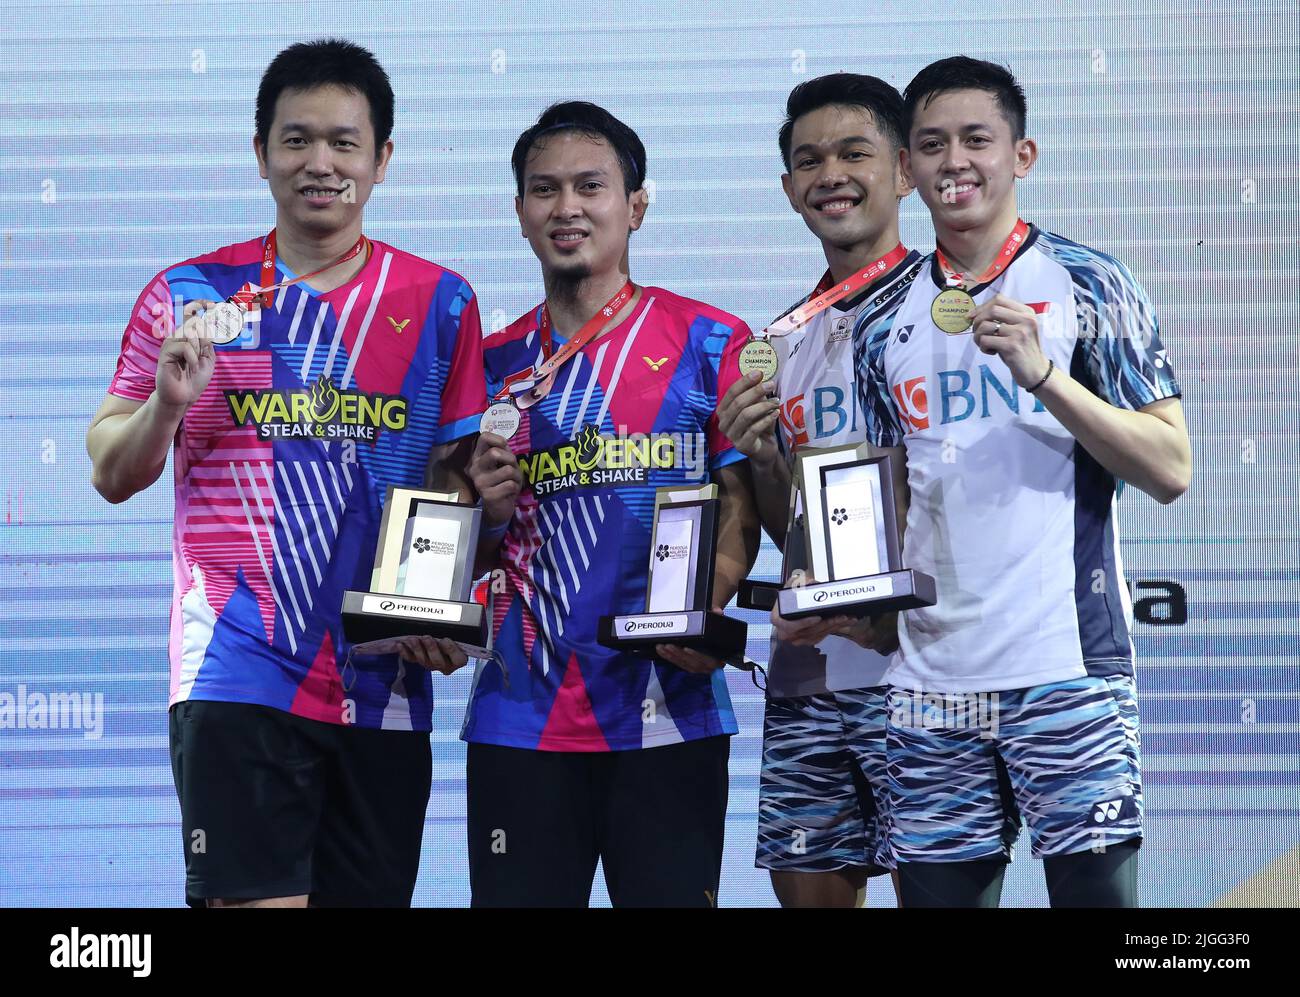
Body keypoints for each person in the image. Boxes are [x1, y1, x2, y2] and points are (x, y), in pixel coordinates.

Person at [85, 39, 484, 907]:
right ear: (260, 152)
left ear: (383, 159)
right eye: (296, 140)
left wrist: (433, 603)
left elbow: (458, 473)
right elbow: (112, 472)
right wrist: (165, 403)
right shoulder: (189, 293)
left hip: (382, 682)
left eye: (345, 143)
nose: (320, 163)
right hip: (237, 667)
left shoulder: (438, 302)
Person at [854, 55, 1191, 907]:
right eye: (932, 144)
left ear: (1022, 155)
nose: (954, 161)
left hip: (1066, 667)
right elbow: (882, 500)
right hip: (930, 683)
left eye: (978, 139)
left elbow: (1170, 467)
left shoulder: (1091, 282)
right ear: (907, 168)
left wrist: (1046, 376)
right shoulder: (879, 321)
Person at [458, 100, 760, 907]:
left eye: (590, 186)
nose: (567, 208)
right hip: (520, 718)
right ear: (519, 211)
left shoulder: (710, 340)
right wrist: (483, 511)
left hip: (669, 710)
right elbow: (454, 540)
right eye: (544, 189)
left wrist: (706, 606)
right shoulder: (486, 365)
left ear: (636, 203)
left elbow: (742, 499)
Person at [716, 73, 923, 908]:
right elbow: (786, 527)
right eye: (809, 160)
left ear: (904, 169)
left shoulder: (958, 315)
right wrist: (761, 458)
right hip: (813, 676)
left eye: (853, 152)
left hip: (928, 671)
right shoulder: (777, 343)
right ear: (788, 187)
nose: (829, 173)